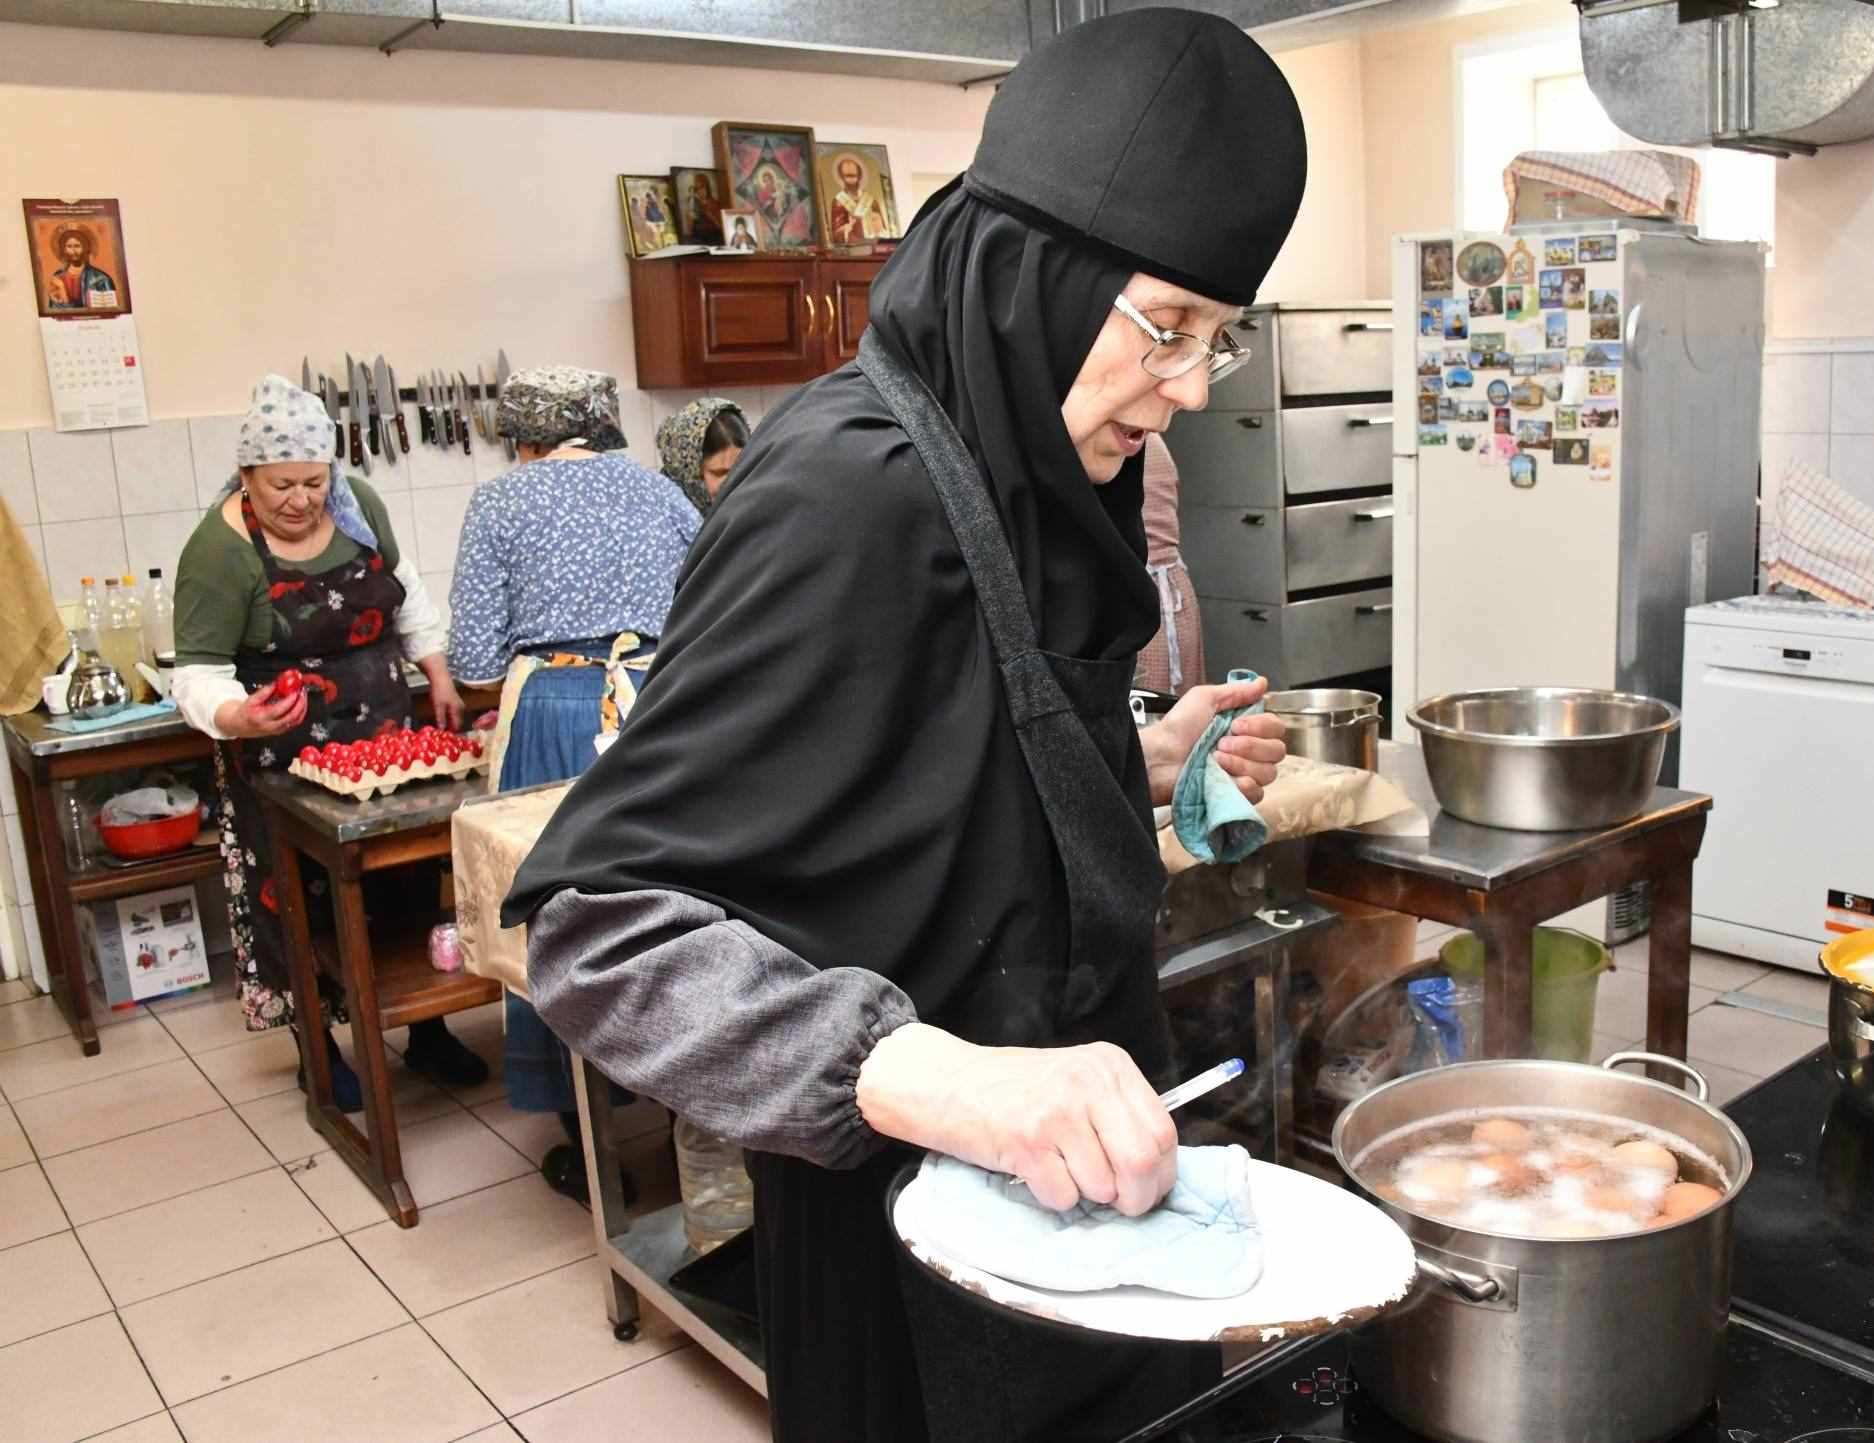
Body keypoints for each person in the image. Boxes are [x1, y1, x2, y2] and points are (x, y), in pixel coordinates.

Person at [502, 9, 1305, 1441]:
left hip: (1089, 1194)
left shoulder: (1036, 460)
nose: (1189, 387)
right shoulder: (851, 492)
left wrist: (1135, 759)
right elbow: (599, 930)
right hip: (910, 1236)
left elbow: (932, 771)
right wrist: (945, 1079)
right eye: (1166, 326)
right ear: (1032, 278)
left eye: (1217, 338)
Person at [171, 375, 486, 1108]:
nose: (301, 500)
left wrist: (436, 671)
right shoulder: (218, 552)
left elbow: (406, 591)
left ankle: (428, 1031)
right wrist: (236, 716)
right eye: (281, 484)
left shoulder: (359, 506)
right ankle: (318, 1047)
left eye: (314, 482)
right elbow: (197, 673)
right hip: (283, 756)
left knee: (405, 882)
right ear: (247, 474)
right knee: (298, 901)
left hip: (385, 738)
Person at [446, 365, 701, 1200]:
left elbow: (475, 661)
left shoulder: (500, 503)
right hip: (659, 708)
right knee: (669, 900)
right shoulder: (662, 494)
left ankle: (587, 1140)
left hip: (557, 714)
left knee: (558, 914)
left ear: (523, 438)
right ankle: (688, 1105)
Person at [1134, 436, 1204, 695]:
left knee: (1145, 706)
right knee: (1182, 703)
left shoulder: (1121, 446)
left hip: (1139, 592)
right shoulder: (1153, 441)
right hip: (1176, 591)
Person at [656, 397, 750, 517]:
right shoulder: (663, 519)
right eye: (719, 473)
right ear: (689, 472)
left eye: (740, 469)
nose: (733, 482)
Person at [46, 227, 116, 311]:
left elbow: (109, 310)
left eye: (77, 246)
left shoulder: (101, 278)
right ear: (64, 250)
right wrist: (61, 290)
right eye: (69, 246)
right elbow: (54, 309)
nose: (73, 251)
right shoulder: (57, 277)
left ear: (85, 248)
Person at [829, 154, 886, 245]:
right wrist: (846, 228)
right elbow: (836, 234)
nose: (850, 180)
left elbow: (883, 230)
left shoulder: (871, 200)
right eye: (847, 176)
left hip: (872, 243)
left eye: (853, 176)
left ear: (859, 176)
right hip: (852, 245)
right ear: (841, 177)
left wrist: (876, 223)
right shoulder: (839, 201)